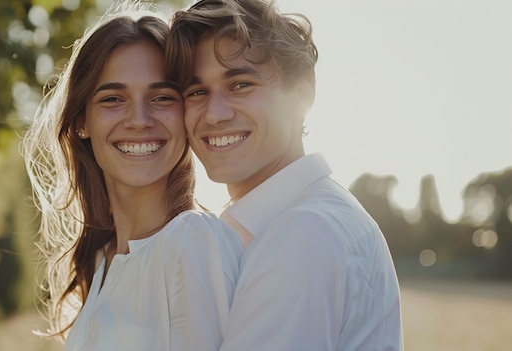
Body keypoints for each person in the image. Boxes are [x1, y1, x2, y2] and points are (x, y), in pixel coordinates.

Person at [165, 0, 404, 350]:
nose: (214, 114)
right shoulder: (289, 222)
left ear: (302, 93)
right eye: (197, 92)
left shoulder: (305, 231)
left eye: (240, 85)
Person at [20, 2, 244, 350]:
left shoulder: (194, 242)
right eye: (113, 99)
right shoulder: (100, 261)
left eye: (162, 97)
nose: (139, 119)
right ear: (81, 122)